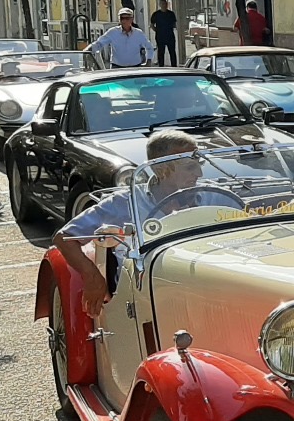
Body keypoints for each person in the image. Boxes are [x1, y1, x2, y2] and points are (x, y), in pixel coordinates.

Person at [53, 131, 200, 317]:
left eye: (199, 164)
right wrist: (91, 276)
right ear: (161, 169)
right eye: (189, 167)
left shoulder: (212, 195)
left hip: (198, 282)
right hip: (143, 295)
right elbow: (64, 238)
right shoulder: (125, 202)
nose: (199, 173)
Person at [87, 7, 154, 68]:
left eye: (127, 18)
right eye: (122, 18)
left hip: (135, 68)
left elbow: (149, 47)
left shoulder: (138, 33)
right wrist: (88, 50)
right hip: (117, 68)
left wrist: (148, 61)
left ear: (131, 19)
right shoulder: (113, 32)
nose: (124, 21)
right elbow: (99, 43)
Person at [150, 0, 179, 66]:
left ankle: (174, 66)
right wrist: (157, 30)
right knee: (160, 52)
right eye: (162, 4)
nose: (164, 5)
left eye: (165, 4)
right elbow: (152, 25)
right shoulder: (156, 14)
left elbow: (174, 24)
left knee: (172, 52)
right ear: (160, 5)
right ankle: (161, 66)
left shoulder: (171, 14)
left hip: (170, 36)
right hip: (160, 36)